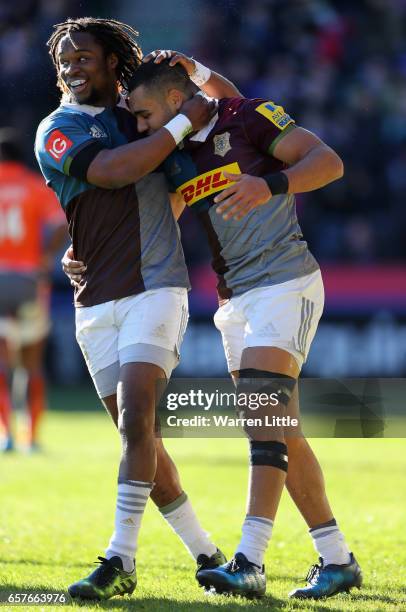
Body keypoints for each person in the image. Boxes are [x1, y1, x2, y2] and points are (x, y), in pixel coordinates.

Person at [122, 57, 362, 600]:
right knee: (283, 432)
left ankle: (249, 559)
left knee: (261, 419)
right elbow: (202, 108)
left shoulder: (249, 117)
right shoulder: (177, 152)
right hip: (234, 301)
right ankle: (337, 559)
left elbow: (329, 162)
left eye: (143, 114)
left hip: (286, 282)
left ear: (175, 100)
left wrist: (270, 185)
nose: (139, 126)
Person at [34, 18, 241, 601]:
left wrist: (196, 80)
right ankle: (206, 553)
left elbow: (222, 111)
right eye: (65, 60)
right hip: (94, 303)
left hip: (157, 288)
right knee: (141, 436)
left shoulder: (144, 114)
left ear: (112, 61)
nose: (73, 67)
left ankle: (118, 560)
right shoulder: (60, 127)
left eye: (84, 57)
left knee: (135, 425)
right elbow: (113, 171)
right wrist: (180, 123)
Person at [0, 127, 67, 452]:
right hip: (28, 281)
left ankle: (5, 435)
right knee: (31, 362)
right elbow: (59, 223)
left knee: (1, 362)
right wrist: (43, 258)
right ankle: (32, 437)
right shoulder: (31, 185)